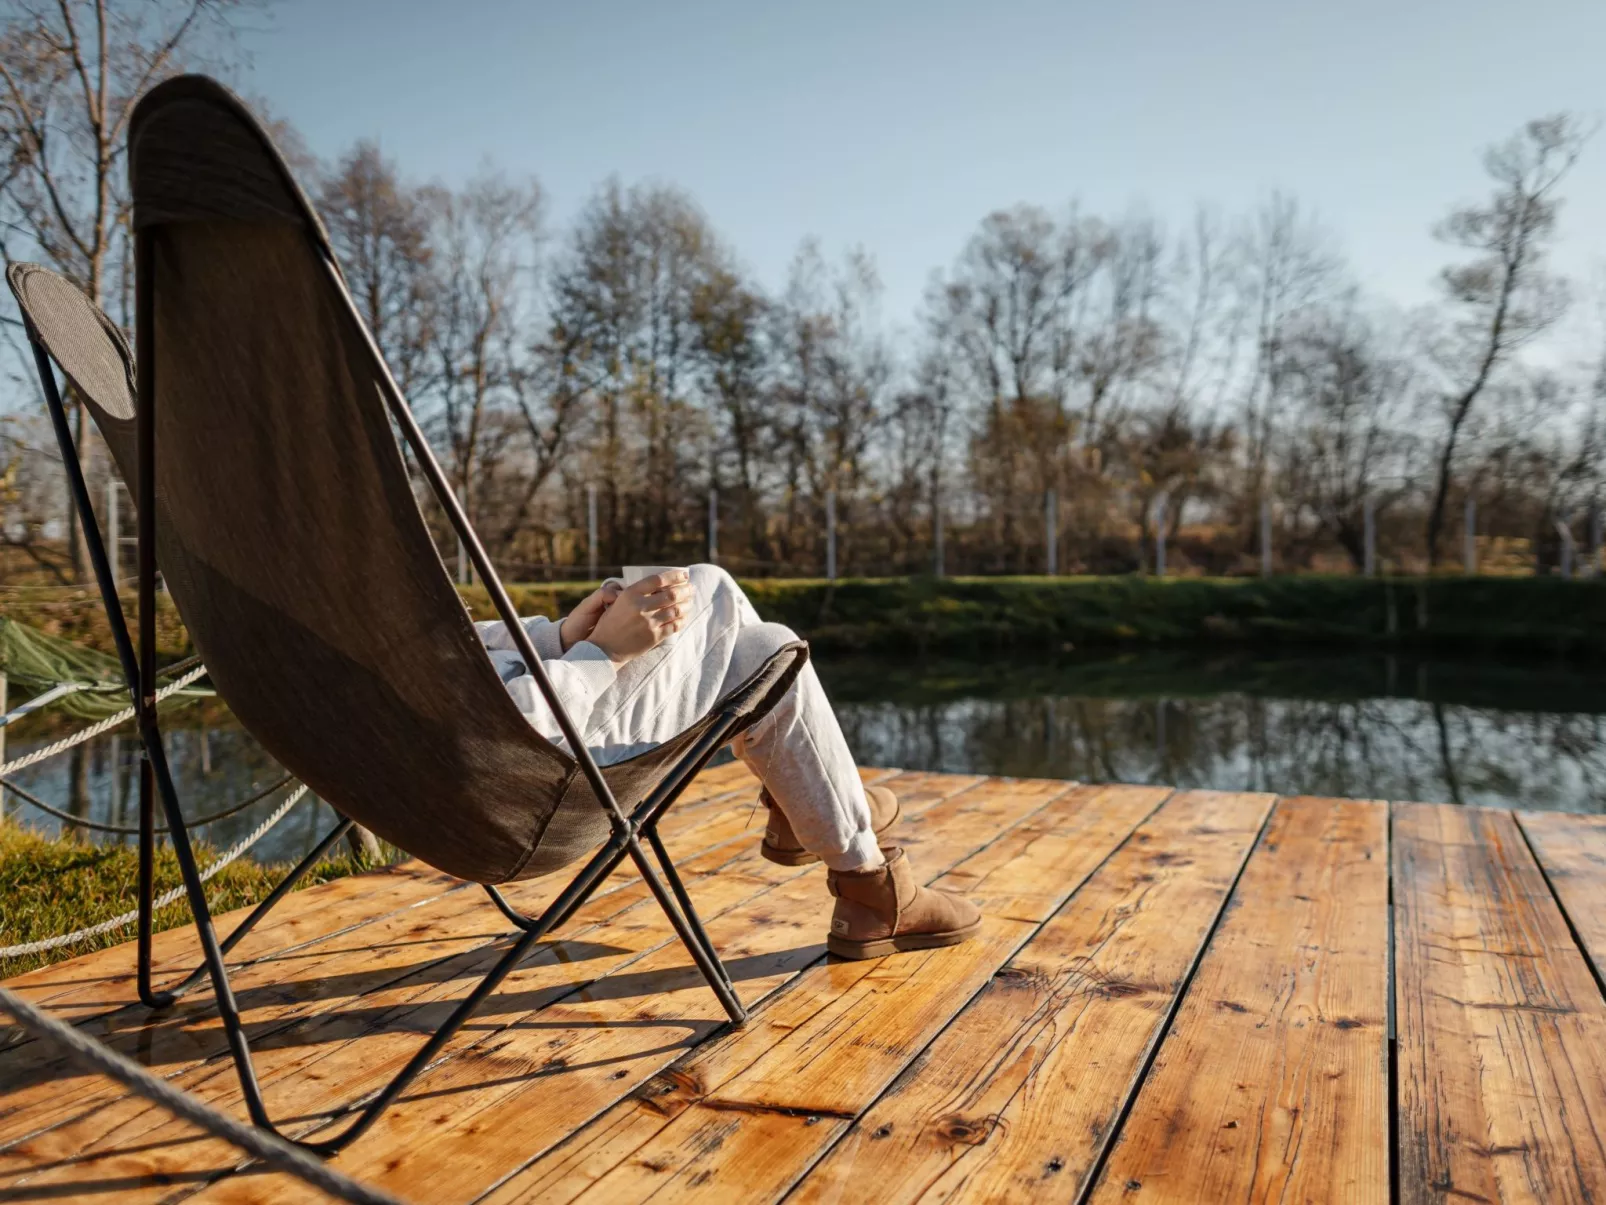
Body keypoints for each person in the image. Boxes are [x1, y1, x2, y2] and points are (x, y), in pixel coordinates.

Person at [475, 564, 979, 960]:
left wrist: (561, 637)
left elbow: (459, 649)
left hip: (518, 772)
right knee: (710, 589)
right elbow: (503, 730)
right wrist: (601, 653)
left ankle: (857, 870)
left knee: (763, 647)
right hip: (534, 790)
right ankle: (852, 857)